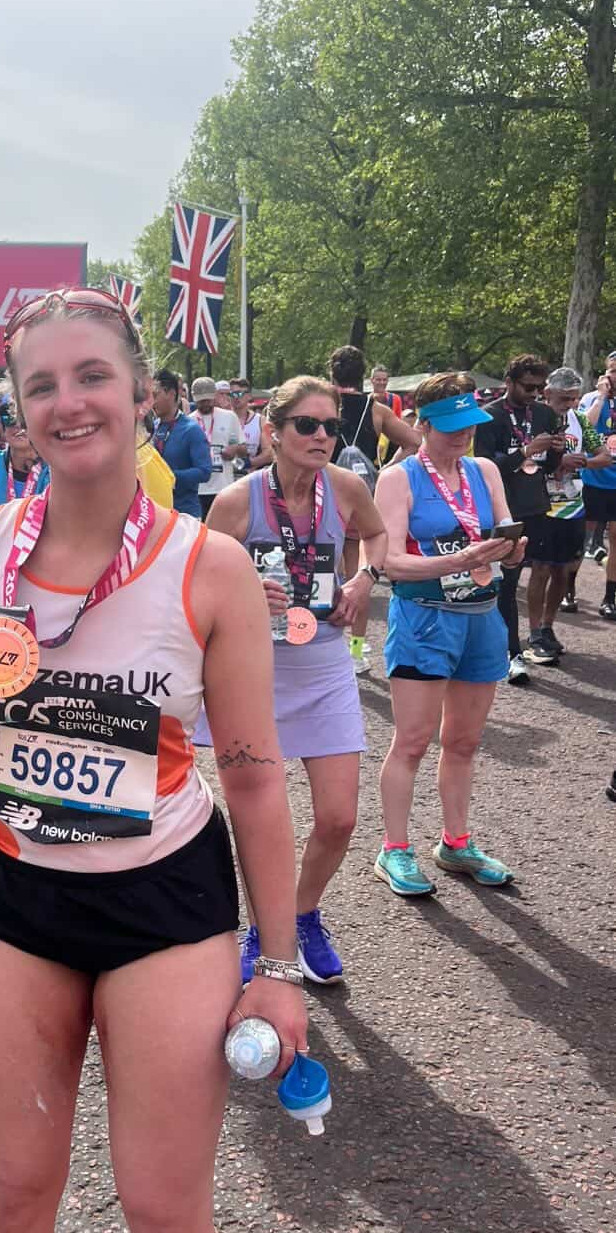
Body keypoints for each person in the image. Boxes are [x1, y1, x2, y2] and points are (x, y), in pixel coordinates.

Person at [0, 286, 305, 1233]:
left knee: (166, 1218)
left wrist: (280, 966)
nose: (69, 403)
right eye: (43, 386)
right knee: (15, 1191)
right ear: (17, 410)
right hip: (10, 893)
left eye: (92, 378)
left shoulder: (208, 569)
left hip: (162, 903)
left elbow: (258, 779)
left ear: (138, 393)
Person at [208, 376, 387, 984]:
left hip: (325, 665)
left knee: (339, 818)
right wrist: (241, 589)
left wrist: (364, 580)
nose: (321, 437)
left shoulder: (346, 488)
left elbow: (378, 533)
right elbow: (200, 580)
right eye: (307, 425)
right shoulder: (238, 500)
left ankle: (300, 915)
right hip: (253, 674)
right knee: (262, 822)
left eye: (331, 427)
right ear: (274, 431)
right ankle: (265, 931)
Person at [372, 373, 525, 897]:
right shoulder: (398, 478)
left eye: (470, 425)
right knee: (412, 741)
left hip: (481, 616)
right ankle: (393, 849)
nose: (463, 436)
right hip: (425, 616)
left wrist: (512, 549)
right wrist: (458, 558)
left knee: (463, 741)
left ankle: (455, 843)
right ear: (424, 423)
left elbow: (503, 529)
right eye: (452, 426)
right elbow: (387, 558)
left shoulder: (484, 470)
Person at [327, 346, 420, 674]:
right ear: (363, 375)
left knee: (327, 572)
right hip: (362, 497)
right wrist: (384, 472)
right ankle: (355, 651)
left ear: (331, 373)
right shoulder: (376, 409)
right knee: (359, 575)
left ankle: (328, 644)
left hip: (323, 495)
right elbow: (413, 442)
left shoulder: (323, 404)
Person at [472, 354, 562, 680]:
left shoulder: (544, 413)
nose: (534, 393)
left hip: (538, 506)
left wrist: (557, 451)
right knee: (506, 585)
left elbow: (549, 467)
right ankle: (511, 655)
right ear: (508, 382)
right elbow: (486, 466)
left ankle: (540, 635)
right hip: (504, 510)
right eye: (527, 387)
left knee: (546, 571)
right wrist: (524, 451)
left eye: (539, 387)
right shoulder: (489, 415)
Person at [542, 367, 610, 627]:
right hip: (537, 505)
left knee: (562, 567)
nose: (570, 404)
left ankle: (548, 626)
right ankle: (534, 630)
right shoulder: (534, 417)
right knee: (538, 571)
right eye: (564, 398)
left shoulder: (579, 420)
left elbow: (604, 456)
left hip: (570, 505)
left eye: (574, 398)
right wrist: (556, 462)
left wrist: (580, 463)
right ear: (548, 393)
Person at [150, 367, 211, 519]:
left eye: (155, 395)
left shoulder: (191, 429)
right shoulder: (152, 428)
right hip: (157, 513)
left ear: (171, 394)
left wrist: (170, 477)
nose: (151, 401)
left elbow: (204, 471)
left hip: (185, 514)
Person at [582, 349, 616, 617]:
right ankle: (568, 592)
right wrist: (602, 396)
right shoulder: (592, 399)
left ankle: (609, 598)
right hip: (592, 479)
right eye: (613, 370)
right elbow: (585, 428)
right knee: (578, 538)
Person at [188, 375, 245, 519]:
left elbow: (243, 448)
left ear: (214, 396)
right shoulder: (189, 421)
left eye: (208, 399)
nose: (205, 404)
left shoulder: (229, 417)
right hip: (198, 489)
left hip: (223, 486)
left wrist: (234, 449)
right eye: (201, 401)